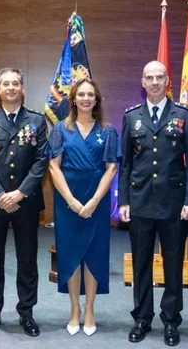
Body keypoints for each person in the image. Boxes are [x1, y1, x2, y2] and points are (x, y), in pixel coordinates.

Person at [119, 61, 188, 346]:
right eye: (149, 77)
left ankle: (171, 320)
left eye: (159, 77)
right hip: (140, 203)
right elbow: (125, 163)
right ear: (142, 81)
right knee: (141, 264)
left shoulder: (183, 115)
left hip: (174, 205)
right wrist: (123, 200)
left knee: (173, 264)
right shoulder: (131, 117)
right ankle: (142, 318)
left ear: (168, 81)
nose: (154, 82)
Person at [0, 68, 48, 338]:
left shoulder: (37, 121)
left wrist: (20, 193)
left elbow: (41, 161)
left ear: (22, 88)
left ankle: (26, 313)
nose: (11, 88)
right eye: (6, 83)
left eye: (16, 83)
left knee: (27, 260)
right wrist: (0, 194)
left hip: (25, 203)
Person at [47, 78, 120, 337]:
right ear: (74, 99)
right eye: (81, 94)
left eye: (91, 94)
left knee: (94, 254)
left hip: (96, 201)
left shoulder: (108, 130)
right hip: (68, 200)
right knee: (71, 254)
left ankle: (90, 309)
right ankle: (74, 309)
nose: (86, 98)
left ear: (97, 99)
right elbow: (54, 167)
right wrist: (71, 200)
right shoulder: (60, 129)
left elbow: (111, 168)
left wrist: (94, 201)